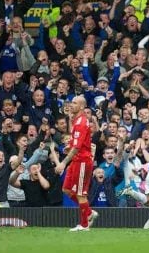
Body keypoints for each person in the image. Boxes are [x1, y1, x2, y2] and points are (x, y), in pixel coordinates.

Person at [55, 96, 99, 231]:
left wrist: (63, 163)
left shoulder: (80, 123)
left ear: (81, 107)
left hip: (82, 161)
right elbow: (79, 143)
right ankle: (89, 211)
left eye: (74, 103)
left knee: (80, 193)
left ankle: (85, 224)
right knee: (66, 189)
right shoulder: (78, 120)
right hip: (77, 160)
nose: (71, 104)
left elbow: (77, 147)